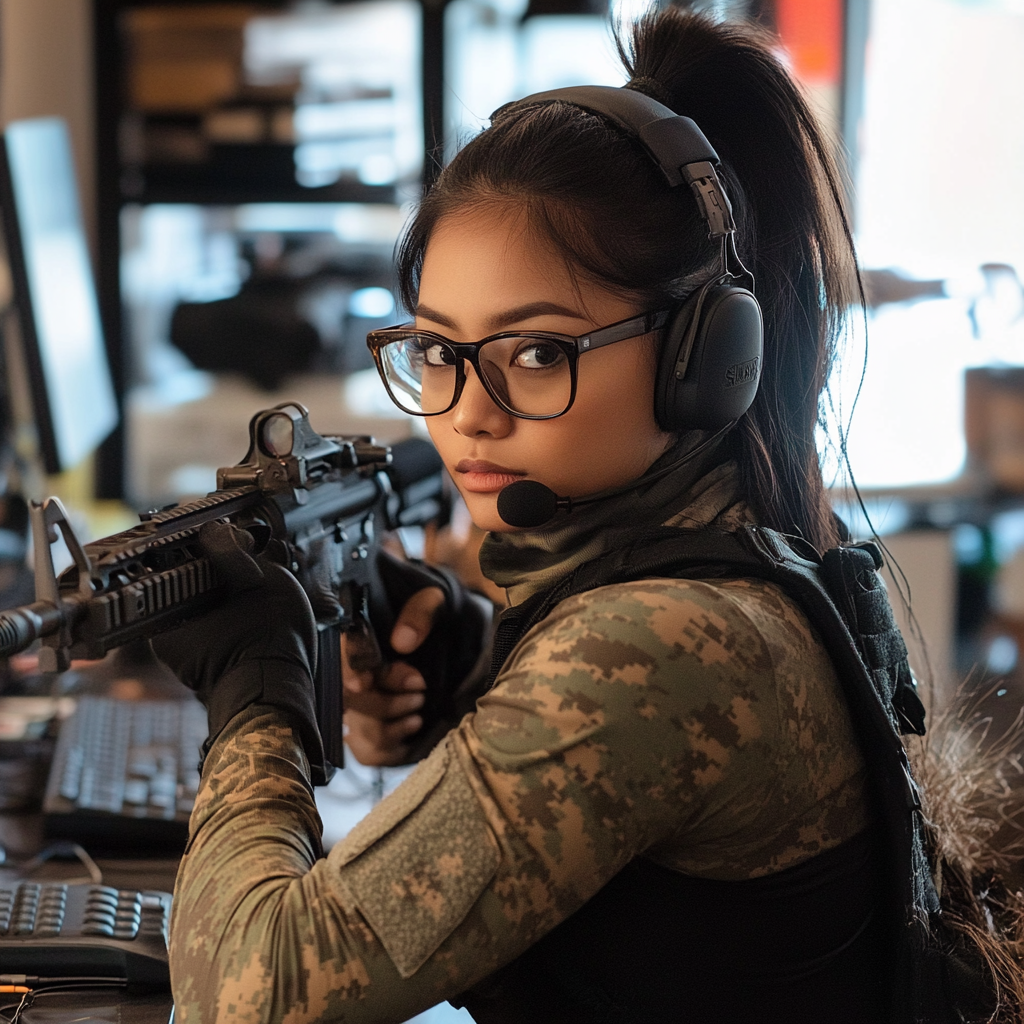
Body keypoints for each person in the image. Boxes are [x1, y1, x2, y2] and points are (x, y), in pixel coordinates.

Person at [156, 9, 913, 1022]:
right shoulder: (734, 563)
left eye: (538, 352)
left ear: (702, 362)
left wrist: (258, 699)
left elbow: (241, 995)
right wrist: (476, 674)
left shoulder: (658, 644)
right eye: (437, 349)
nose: (469, 409)